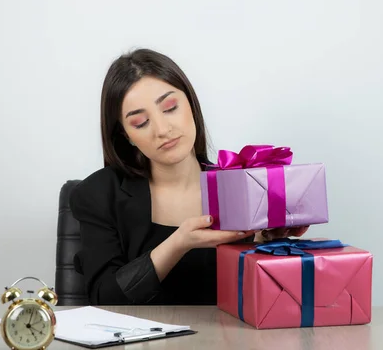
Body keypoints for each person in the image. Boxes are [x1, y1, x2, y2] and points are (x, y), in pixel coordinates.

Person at [69, 48, 309, 306]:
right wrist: (178, 244)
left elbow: (269, 300)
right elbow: (104, 299)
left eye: (170, 108)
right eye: (140, 123)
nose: (162, 130)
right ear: (126, 136)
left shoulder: (240, 185)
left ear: (191, 105)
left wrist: (268, 243)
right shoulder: (98, 194)